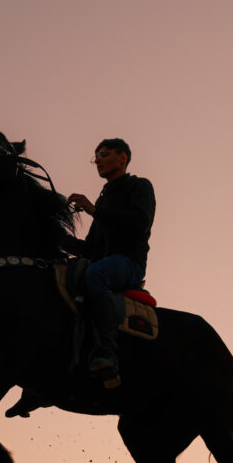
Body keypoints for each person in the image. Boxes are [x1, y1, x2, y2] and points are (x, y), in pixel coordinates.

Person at [64, 138, 155, 381]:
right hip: (102, 262)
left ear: (122, 157)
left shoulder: (140, 186)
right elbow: (89, 249)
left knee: (96, 274)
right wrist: (54, 237)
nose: (98, 161)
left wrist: (94, 210)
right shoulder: (104, 200)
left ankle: (107, 351)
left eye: (104, 154)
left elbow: (139, 223)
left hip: (129, 263)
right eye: (96, 157)